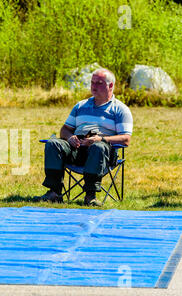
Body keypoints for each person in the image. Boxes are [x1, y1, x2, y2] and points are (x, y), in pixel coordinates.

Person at [36, 68, 133, 206]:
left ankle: (90, 196)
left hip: (103, 153)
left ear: (110, 85)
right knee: (53, 143)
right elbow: (65, 129)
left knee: (98, 147)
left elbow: (125, 139)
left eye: (98, 83)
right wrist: (69, 137)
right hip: (77, 149)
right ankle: (54, 193)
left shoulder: (120, 110)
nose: (94, 86)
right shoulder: (80, 106)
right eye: (92, 82)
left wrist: (100, 139)